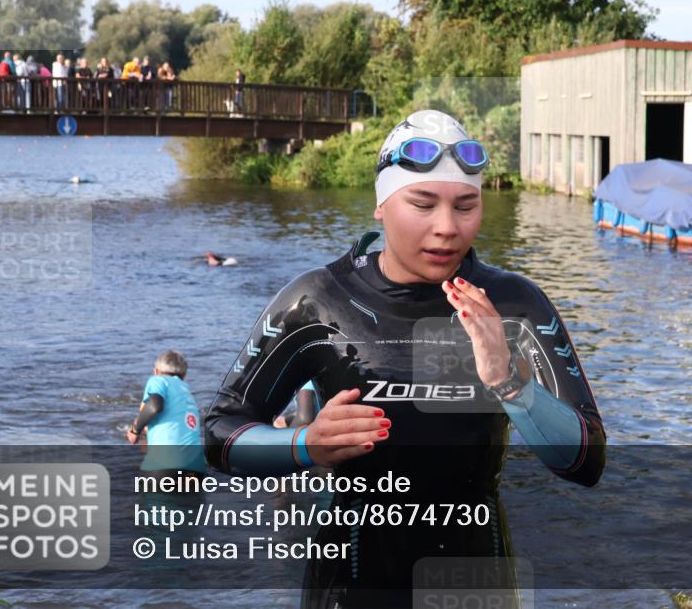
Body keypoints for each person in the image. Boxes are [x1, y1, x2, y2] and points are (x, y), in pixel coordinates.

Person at [203, 109, 605, 607]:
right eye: (422, 204)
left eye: (466, 205)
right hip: (349, 586)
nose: (447, 228)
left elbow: (586, 461)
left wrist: (509, 384)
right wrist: (304, 445)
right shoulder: (318, 301)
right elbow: (220, 434)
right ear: (381, 204)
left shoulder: (513, 304)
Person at [127, 350, 207, 479]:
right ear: (184, 375)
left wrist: (135, 430)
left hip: (164, 467)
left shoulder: (158, 380)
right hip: (196, 469)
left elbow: (154, 406)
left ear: (156, 371)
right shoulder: (186, 392)